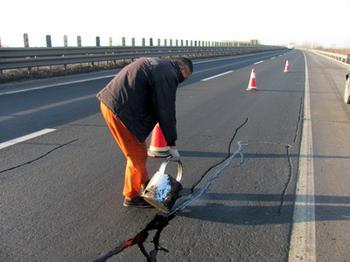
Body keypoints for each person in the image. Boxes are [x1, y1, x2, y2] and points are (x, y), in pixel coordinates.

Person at [96, 57, 193, 207]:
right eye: (184, 77)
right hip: (121, 112)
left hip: (112, 103)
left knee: (139, 151)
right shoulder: (168, 74)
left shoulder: (159, 65)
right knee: (137, 157)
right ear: (181, 67)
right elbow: (166, 110)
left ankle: (145, 183)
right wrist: (171, 144)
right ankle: (132, 197)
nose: (181, 81)